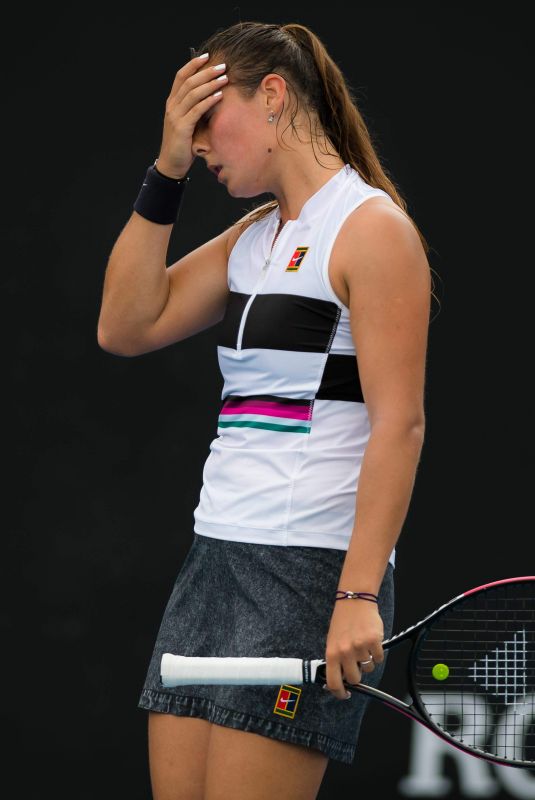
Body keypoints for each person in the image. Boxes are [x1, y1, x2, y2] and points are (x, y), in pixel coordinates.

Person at [98, 20, 435, 800]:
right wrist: (166, 169)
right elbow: (125, 324)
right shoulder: (255, 235)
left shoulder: (371, 230)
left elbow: (400, 425)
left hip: (307, 572)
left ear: (273, 98)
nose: (200, 145)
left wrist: (354, 594)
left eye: (206, 122)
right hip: (213, 558)